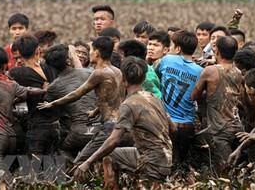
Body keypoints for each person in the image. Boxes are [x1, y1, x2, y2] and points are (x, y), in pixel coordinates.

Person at [74, 57, 175, 189]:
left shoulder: (128, 105)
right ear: (144, 78)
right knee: (109, 156)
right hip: (166, 157)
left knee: (107, 152)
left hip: (151, 162)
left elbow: (114, 140)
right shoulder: (155, 98)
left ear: (123, 81)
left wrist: (87, 162)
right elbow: (173, 129)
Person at [37, 36, 125, 164]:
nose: (87, 54)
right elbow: (114, 99)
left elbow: (77, 94)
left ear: (96, 53)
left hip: (108, 126)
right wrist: (95, 111)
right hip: (121, 123)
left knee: (81, 163)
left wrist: (52, 103)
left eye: (89, 50)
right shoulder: (117, 71)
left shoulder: (97, 73)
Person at [0, 47, 44, 174]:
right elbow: (29, 91)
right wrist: (46, 89)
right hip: (12, 137)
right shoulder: (12, 85)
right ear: (4, 65)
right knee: (13, 171)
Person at [191, 36, 243, 168]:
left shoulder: (210, 71)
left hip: (219, 130)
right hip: (236, 125)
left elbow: (194, 95)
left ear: (217, 51)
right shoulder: (238, 72)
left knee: (225, 169)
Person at [156, 30, 203, 168]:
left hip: (165, 123)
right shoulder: (199, 71)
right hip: (187, 127)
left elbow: (157, 76)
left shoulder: (167, 60)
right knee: (180, 167)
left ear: (178, 49)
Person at [44, 44, 99, 156]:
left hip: (79, 132)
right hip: (100, 128)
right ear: (69, 62)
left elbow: (49, 112)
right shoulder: (90, 73)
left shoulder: (53, 87)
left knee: (63, 152)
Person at [9, 35, 59, 156]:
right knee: (53, 168)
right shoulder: (51, 67)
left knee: (33, 168)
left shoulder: (17, 73)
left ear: (20, 53)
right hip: (56, 125)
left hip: (36, 124)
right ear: (37, 50)